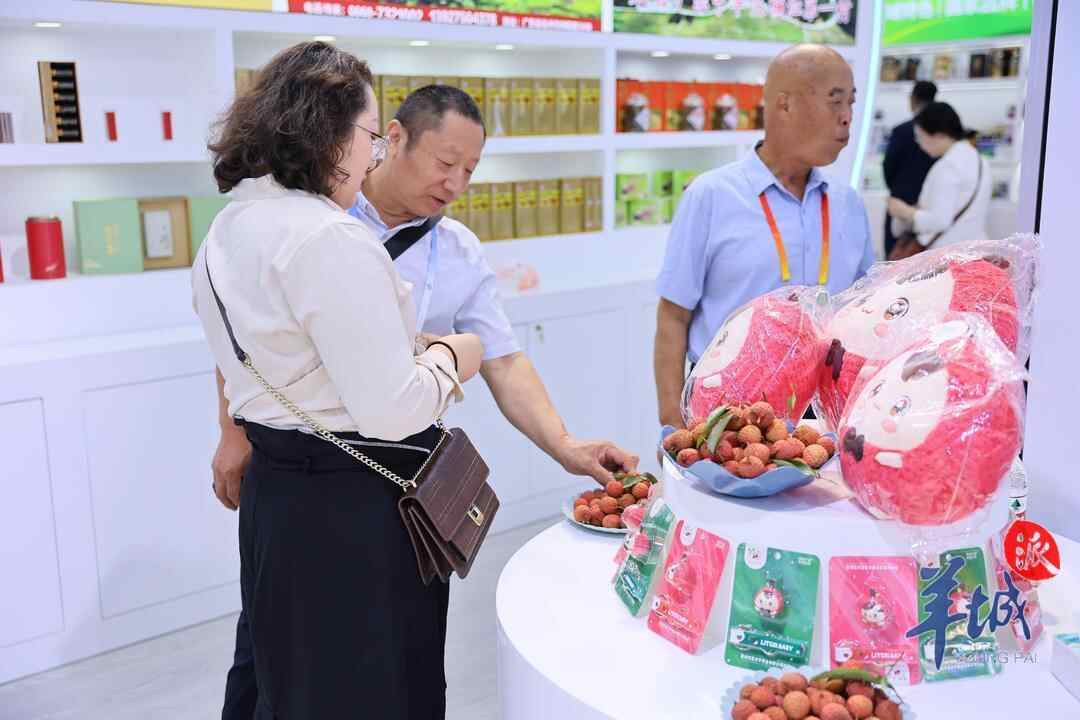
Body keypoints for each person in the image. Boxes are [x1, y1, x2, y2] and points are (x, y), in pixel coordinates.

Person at [210, 83, 640, 719]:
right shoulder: (312, 220)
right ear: (391, 137)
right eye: (446, 162)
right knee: (278, 655)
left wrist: (566, 445)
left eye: (470, 170)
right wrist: (232, 431)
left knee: (398, 659)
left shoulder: (457, 249)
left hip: (400, 487)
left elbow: (503, 359)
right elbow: (246, 331)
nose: (456, 183)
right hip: (303, 474)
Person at [192, 42, 483, 719]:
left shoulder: (227, 230)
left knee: (284, 676)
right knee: (371, 686)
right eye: (369, 136)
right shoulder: (329, 238)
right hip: (356, 508)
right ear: (328, 131)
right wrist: (452, 357)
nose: (373, 155)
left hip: (278, 497)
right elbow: (392, 410)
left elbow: (277, 359)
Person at [653, 44, 875, 429]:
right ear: (784, 104)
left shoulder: (847, 204)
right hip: (726, 411)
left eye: (851, 103)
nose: (846, 118)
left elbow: (865, 309)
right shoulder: (712, 195)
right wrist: (672, 423)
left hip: (823, 412)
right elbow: (673, 316)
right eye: (834, 101)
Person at [887, 101, 990, 250]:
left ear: (938, 135)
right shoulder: (980, 160)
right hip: (974, 249)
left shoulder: (947, 166)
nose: (919, 143)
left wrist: (905, 212)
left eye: (920, 136)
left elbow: (939, 221)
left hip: (948, 253)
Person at [881, 80, 938, 257]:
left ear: (913, 99)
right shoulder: (941, 132)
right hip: (931, 204)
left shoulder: (901, 131)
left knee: (896, 259)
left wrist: (897, 189)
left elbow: (888, 165)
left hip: (902, 201)